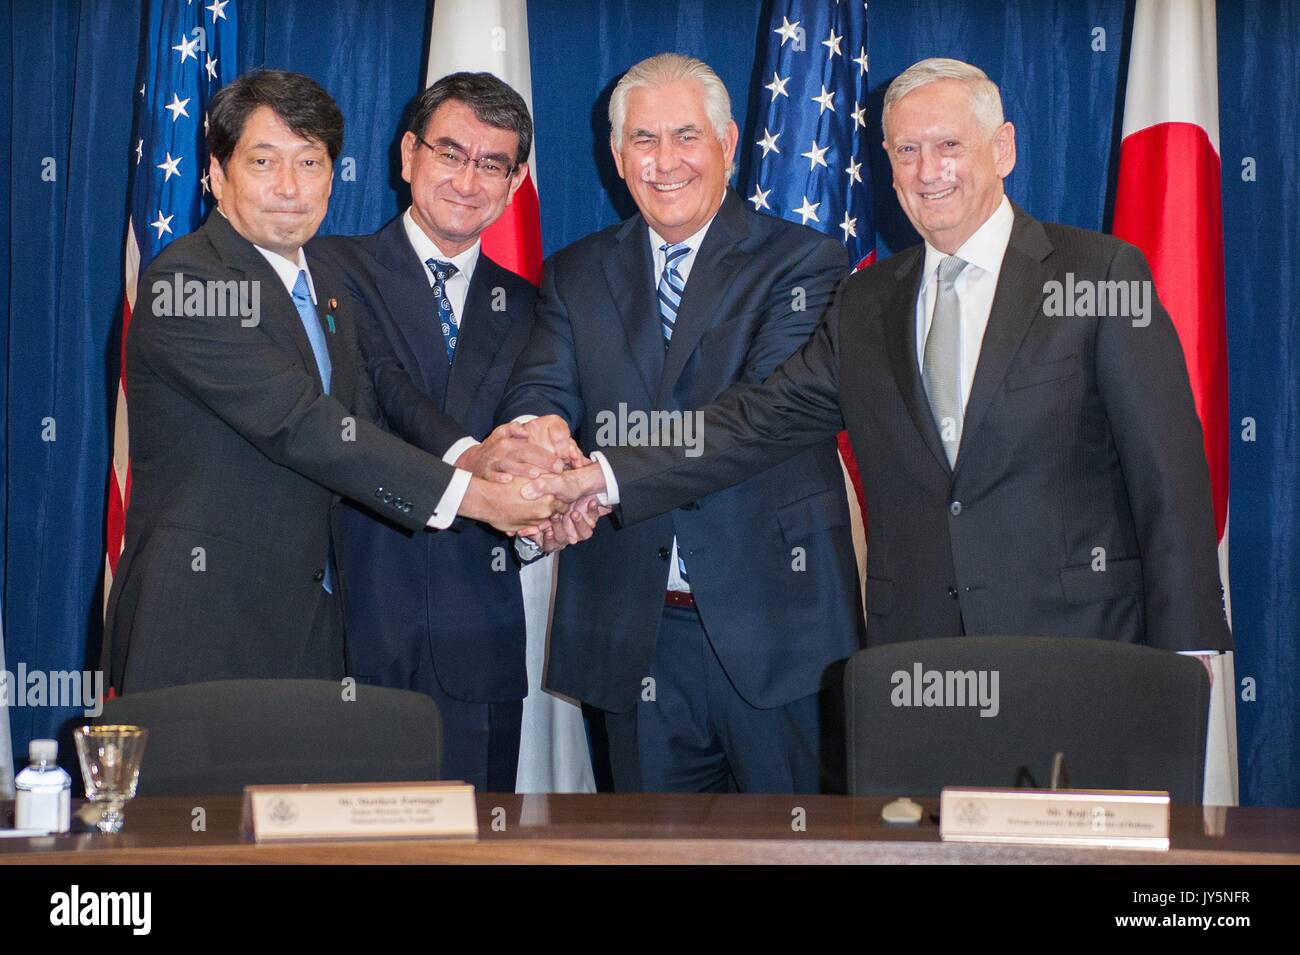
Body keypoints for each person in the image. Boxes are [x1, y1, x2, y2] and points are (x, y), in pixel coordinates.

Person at [533, 57, 1232, 657]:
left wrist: (1189, 644)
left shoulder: (1098, 273)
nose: (928, 172)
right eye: (904, 151)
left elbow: (1166, 472)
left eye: (948, 144)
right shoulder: (866, 301)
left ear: (1004, 148)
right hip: (919, 666)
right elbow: (756, 420)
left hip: (1080, 650)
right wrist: (603, 474)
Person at [104, 69, 563, 695]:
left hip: (315, 630)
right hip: (202, 625)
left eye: (311, 162)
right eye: (264, 161)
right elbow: (303, 424)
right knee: (194, 799)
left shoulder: (327, 293)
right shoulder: (189, 282)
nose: (290, 187)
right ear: (216, 173)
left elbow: (386, 400)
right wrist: (481, 498)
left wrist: (493, 461)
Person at [499, 53, 865, 795]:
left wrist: (599, 478)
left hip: (778, 632)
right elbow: (542, 386)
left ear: (728, 142)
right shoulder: (575, 271)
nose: (665, 162)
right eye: (643, 139)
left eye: (686, 136)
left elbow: (761, 417)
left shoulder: (804, 262)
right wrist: (534, 442)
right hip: (634, 634)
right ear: (616, 155)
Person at [309, 73, 579, 793]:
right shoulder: (329, 268)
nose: (468, 179)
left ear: (517, 179)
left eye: (493, 163)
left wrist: (543, 517)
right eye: (450, 153)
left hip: (479, 649)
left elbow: (537, 448)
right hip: (349, 636)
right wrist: (473, 458)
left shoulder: (535, 308)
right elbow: (371, 403)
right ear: (407, 155)